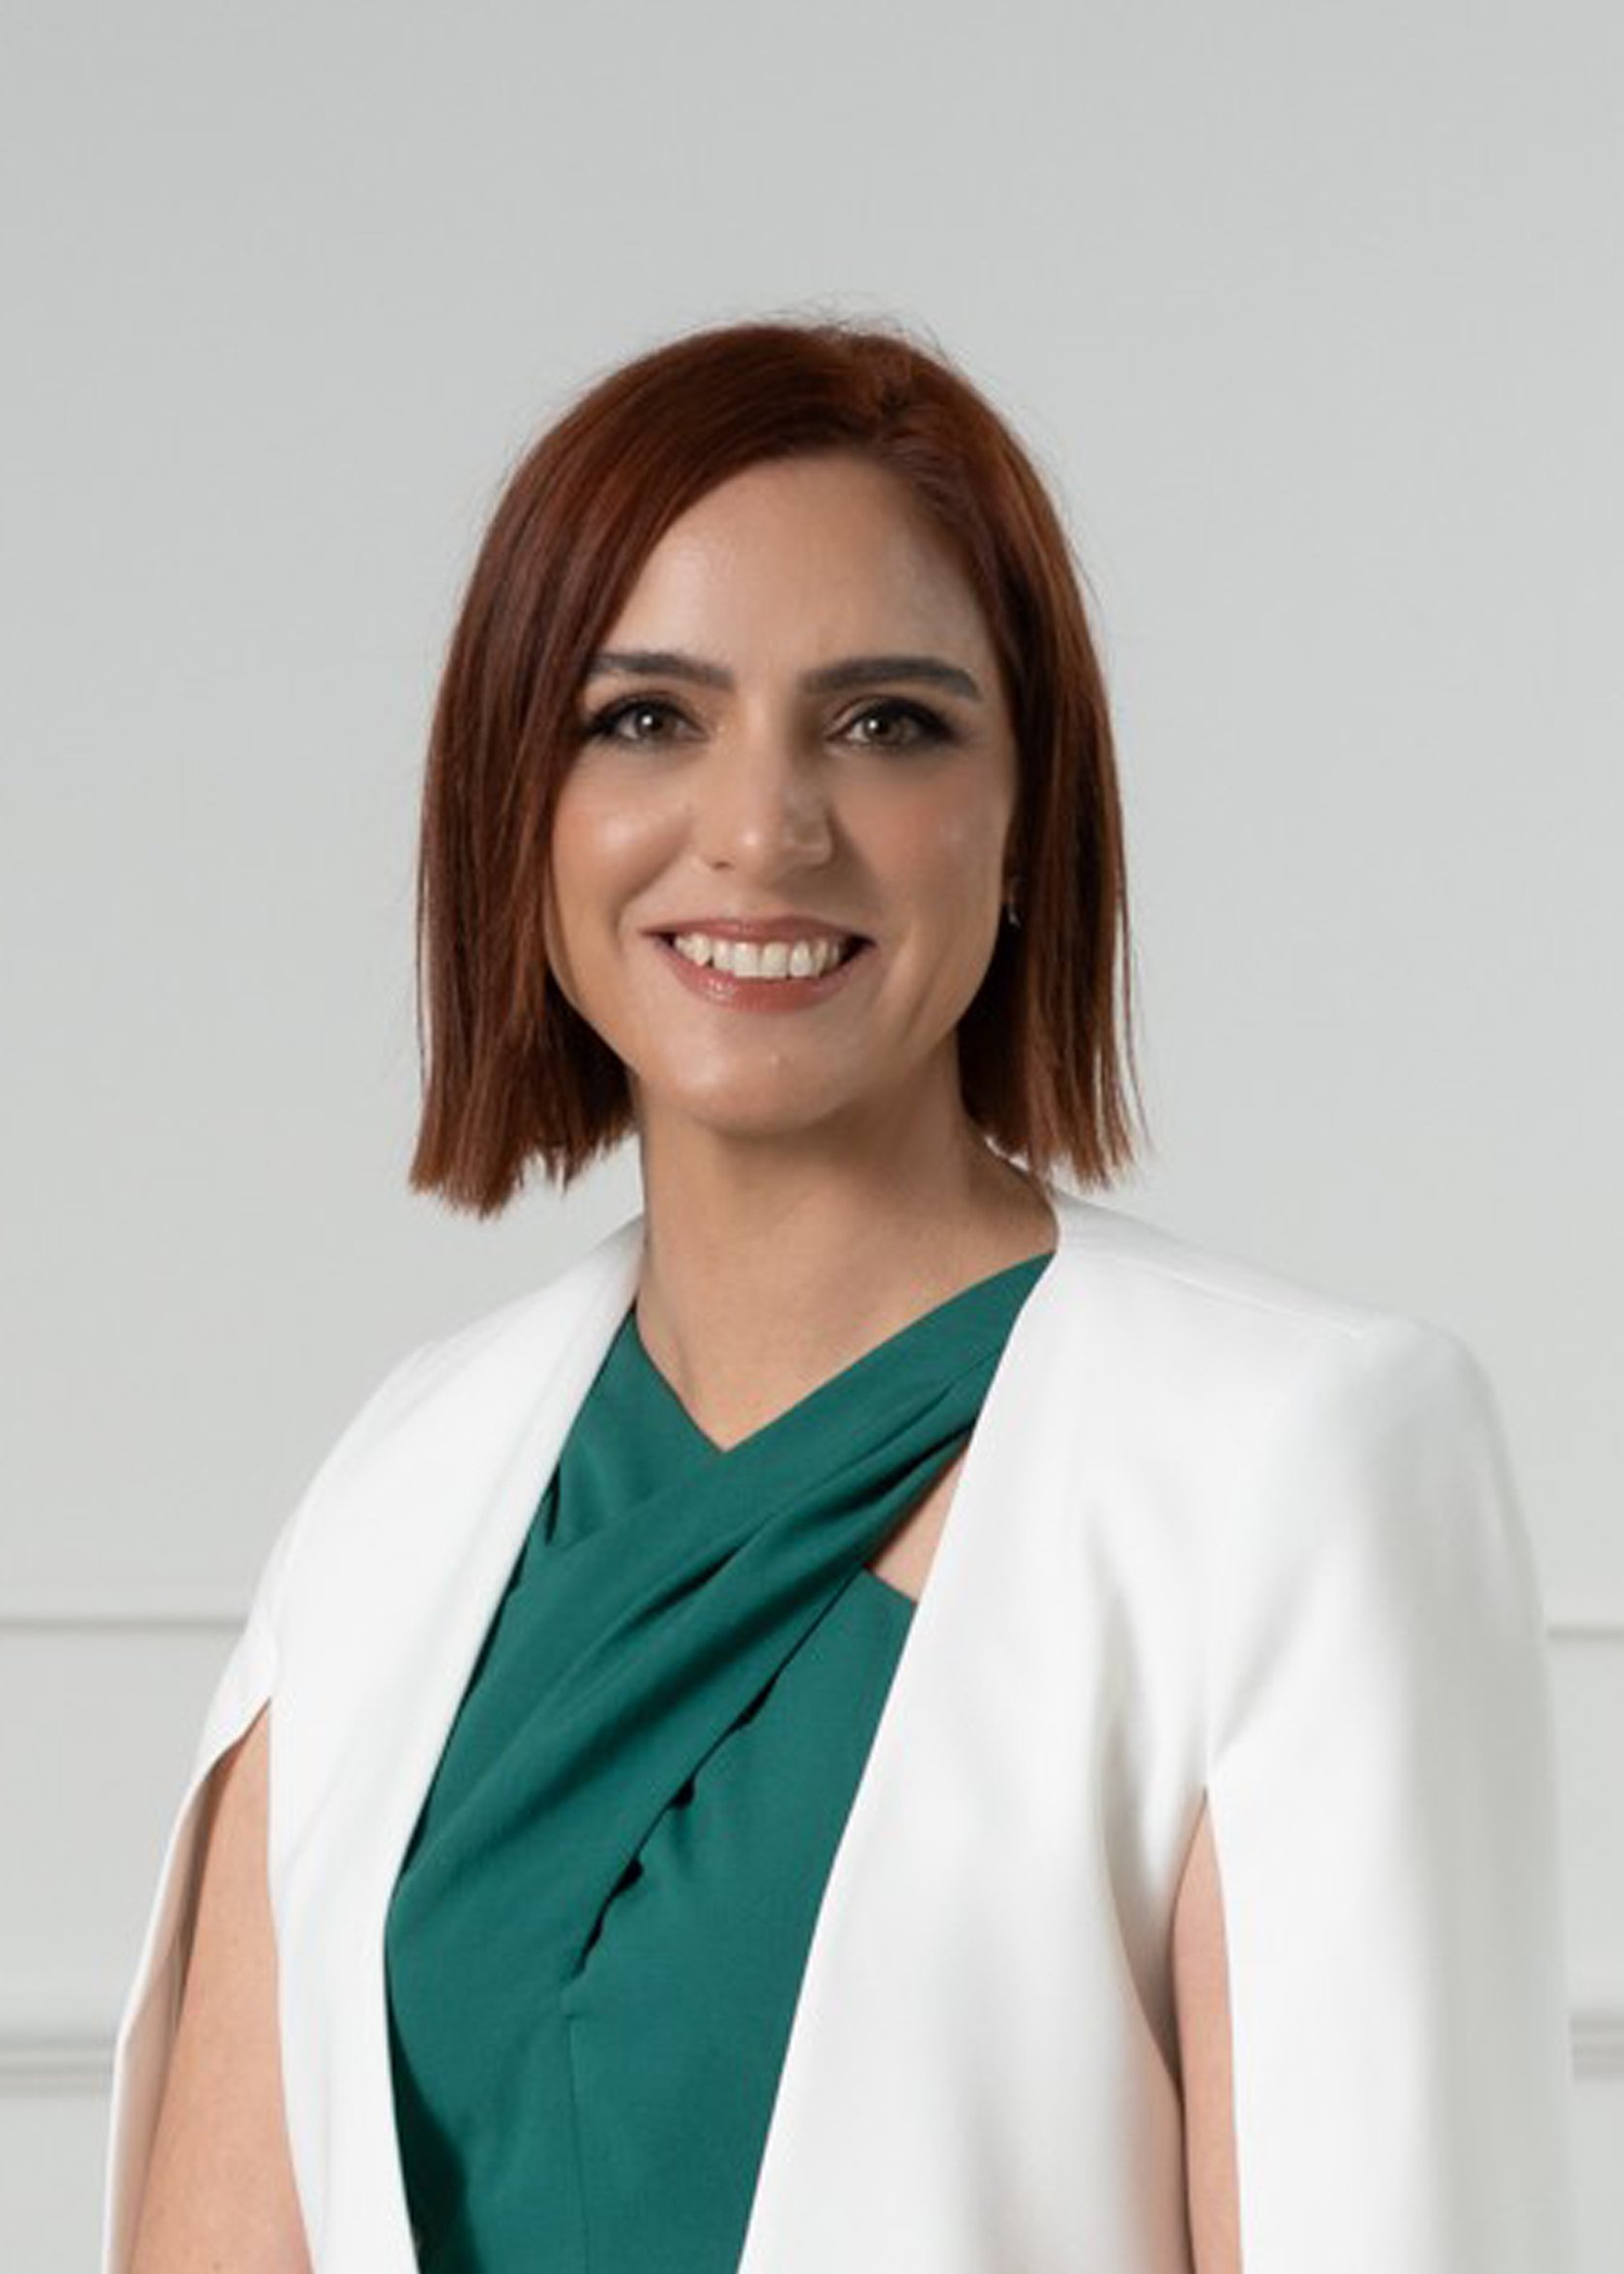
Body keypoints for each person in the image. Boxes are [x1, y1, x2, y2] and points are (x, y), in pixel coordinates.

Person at [103, 316, 1580, 2274]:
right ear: (513, 809)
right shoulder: (398, 1488)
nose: (760, 829)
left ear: (1027, 819)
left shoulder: (1295, 1465)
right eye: (645, 718)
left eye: (884, 723)